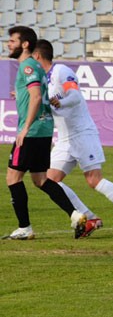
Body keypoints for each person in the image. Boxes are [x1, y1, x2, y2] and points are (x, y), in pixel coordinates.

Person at [32, 40, 113, 239]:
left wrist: (61, 102)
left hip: (82, 133)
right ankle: (89, 218)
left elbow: (75, 96)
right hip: (64, 139)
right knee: (48, 181)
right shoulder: (42, 80)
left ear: (37, 56)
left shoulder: (60, 70)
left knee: (93, 180)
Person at [2, 27, 86, 240]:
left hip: (32, 132)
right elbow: (36, 94)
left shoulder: (28, 67)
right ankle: (76, 215)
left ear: (25, 44)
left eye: (12, 41)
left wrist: (25, 128)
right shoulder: (37, 67)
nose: (8, 44)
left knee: (13, 177)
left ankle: (25, 227)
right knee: (40, 179)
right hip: (44, 130)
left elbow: (37, 97)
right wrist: (20, 94)